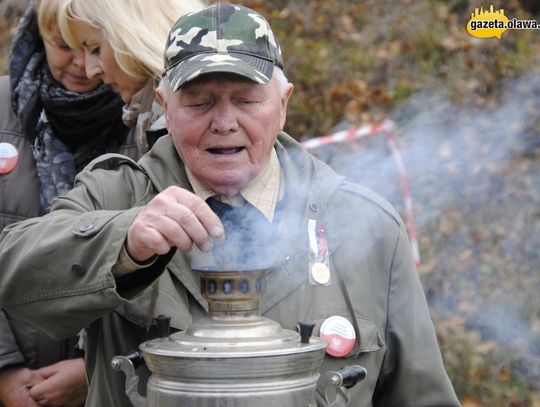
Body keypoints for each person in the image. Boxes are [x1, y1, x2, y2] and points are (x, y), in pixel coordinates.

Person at [0, 3, 461, 406]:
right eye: (199, 102)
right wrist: (124, 241)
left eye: (246, 99)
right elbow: (14, 273)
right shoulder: (118, 193)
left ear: (283, 103)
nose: (224, 123)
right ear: (164, 104)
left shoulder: (367, 224)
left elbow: (419, 396)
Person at [0, 0, 203, 405]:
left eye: (94, 48)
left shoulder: (156, 127)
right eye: (65, 45)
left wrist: (95, 363)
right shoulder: (8, 105)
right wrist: (4, 367)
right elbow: (16, 260)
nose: (84, 66)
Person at [58, 0, 206, 153]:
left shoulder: (179, 122)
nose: (90, 72)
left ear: (135, 34)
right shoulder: (142, 115)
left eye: (95, 49)